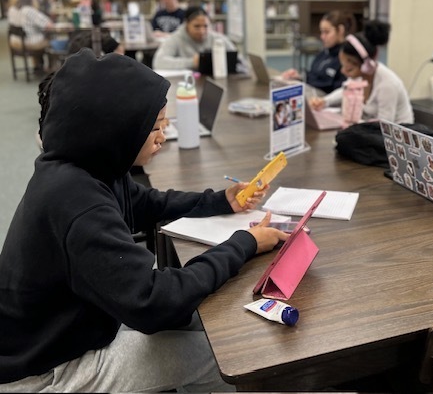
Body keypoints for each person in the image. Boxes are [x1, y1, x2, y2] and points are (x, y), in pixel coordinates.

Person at [0, 48, 288, 392]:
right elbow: (154, 303)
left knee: (210, 320)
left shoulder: (90, 164)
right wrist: (245, 243)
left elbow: (145, 202)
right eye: (155, 127)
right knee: (226, 352)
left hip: (71, 328)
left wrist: (218, 200)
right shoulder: (79, 203)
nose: (163, 136)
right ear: (119, 128)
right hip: (47, 371)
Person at [309, 20, 414, 124]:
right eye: (343, 66)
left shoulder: (387, 85)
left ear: (365, 66)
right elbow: (346, 89)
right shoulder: (360, 77)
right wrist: (324, 101)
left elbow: (384, 126)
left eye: (349, 69)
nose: (343, 71)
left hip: (396, 135)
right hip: (371, 130)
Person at [281, 10, 355, 94]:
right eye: (321, 32)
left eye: (327, 32)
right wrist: (299, 77)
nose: (322, 37)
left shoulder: (346, 58)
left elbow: (336, 88)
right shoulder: (324, 53)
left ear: (341, 30)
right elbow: (315, 75)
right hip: (310, 92)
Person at [152, 6, 239, 71]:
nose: (202, 31)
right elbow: (158, 62)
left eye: (205, 26)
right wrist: (193, 62)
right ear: (186, 24)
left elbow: (239, 61)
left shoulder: (218, 39)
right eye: (197, 26)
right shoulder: (175, 38)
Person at [8, 0, 55, 72]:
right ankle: (52, 67)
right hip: (29, 43)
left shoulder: (12, 9)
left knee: (34, 33)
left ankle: (37, 65)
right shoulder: (29, 10)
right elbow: (49, 25)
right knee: (50, 40)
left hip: (14, 41)